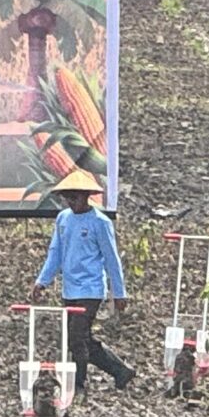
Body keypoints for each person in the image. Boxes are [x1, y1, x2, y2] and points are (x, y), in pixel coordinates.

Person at [36, 167, 133, 393]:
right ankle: (120, 370)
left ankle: (77, 384)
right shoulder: (63, 219)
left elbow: (111, 259)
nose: (71, 202)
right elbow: (55, 253)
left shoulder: (100, 222)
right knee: (82, 338)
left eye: (75, 197)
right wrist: (42, 281)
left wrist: (119, 293)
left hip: (91, 289)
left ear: (86, 196)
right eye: (68, 197)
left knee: (76, 338)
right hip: (70, 289)